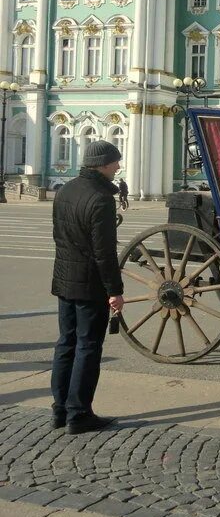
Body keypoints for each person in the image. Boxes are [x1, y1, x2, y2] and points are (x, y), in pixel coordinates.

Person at [50, 140, 124, 434]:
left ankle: (60, 410)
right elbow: (104, 252)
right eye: (115, 162)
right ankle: (79, 413)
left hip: (64, 278)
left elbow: (58, 235)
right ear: (103, 164)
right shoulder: (101, 198)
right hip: (90, 284)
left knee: (65, 343)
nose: (118, 166)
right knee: (88, 346)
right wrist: (114, 290)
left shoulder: (65, 190)